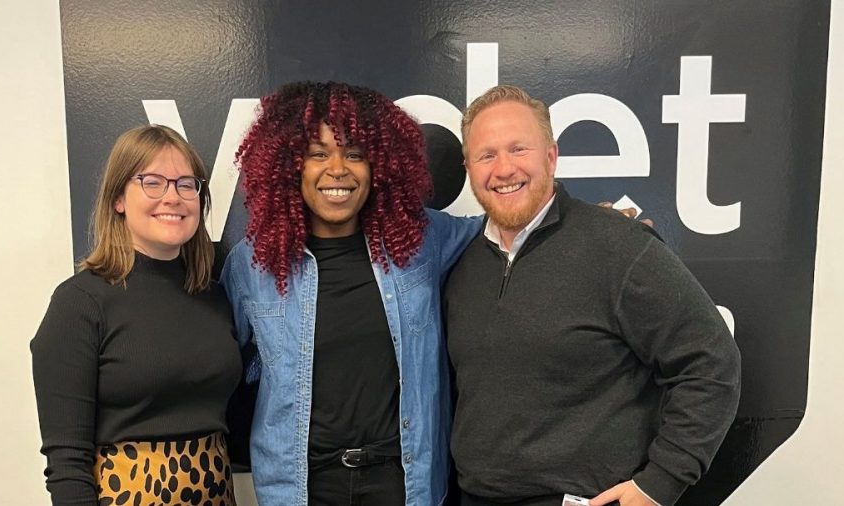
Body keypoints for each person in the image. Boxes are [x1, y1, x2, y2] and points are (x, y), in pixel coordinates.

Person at [443, 85, 742, 506]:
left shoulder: (619, 246)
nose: (504, 168)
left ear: (551, 156)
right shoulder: (460, 261)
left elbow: (711, 362)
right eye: (486, 155)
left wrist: (659, 484)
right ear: (469, 167)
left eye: (518, 149)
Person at [220, 81, 483, 506]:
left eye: (355, 154)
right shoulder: (252, 265)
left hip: (403, 485)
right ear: (290, 165)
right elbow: (221, 373)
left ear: (379, 166)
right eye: (318, 153)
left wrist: (590, 224)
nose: (338, 169)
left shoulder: (420, 242)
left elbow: (506, 232)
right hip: (300, 490)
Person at [31, 125, 242, 506]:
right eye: (153, 182)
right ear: (118, 199)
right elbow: (66, 460)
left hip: (218, 496)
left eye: (185, 184)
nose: (172, 197)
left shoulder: (214, 297)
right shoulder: (79, 303)